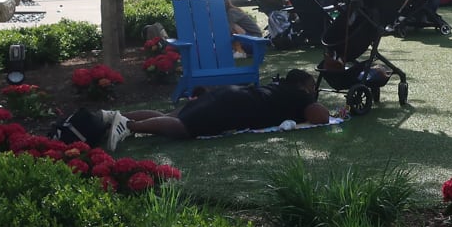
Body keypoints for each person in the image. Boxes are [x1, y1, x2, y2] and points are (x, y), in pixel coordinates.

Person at [124, 69, 330, 139]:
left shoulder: (278, 87)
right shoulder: (300, 95)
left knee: (171, 116)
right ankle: (127, 125)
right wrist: (311, 99)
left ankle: (118, 117)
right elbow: (320, 117)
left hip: (230, 93)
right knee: (185, 128)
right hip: (238, 105)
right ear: (303, 85)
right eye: (312, 86)